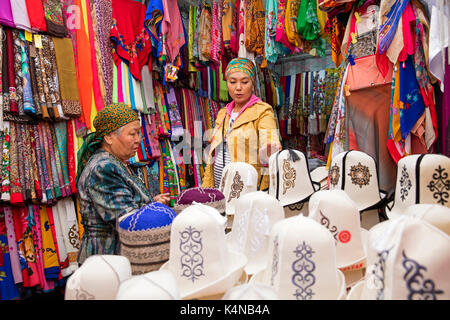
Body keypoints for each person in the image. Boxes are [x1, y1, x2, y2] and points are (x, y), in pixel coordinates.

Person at [76, 103, 170, 264]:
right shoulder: (103, 168)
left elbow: (123, 206)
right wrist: (156, 210)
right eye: (132, 134)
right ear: (109, 137)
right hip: (107, 260)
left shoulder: (115, 162)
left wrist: (151, 203)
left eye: (139, 134)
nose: (138, 140)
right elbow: (126, 220)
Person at [202, 58, 282, 190]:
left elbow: (269, 138)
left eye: (245, 82)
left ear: (253, 83)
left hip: (244, 187)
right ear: (227, 83)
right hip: (217, 186)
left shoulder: (262, 111)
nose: (238, 88)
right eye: (232, 82)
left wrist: (269, 148)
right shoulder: (223, 113)